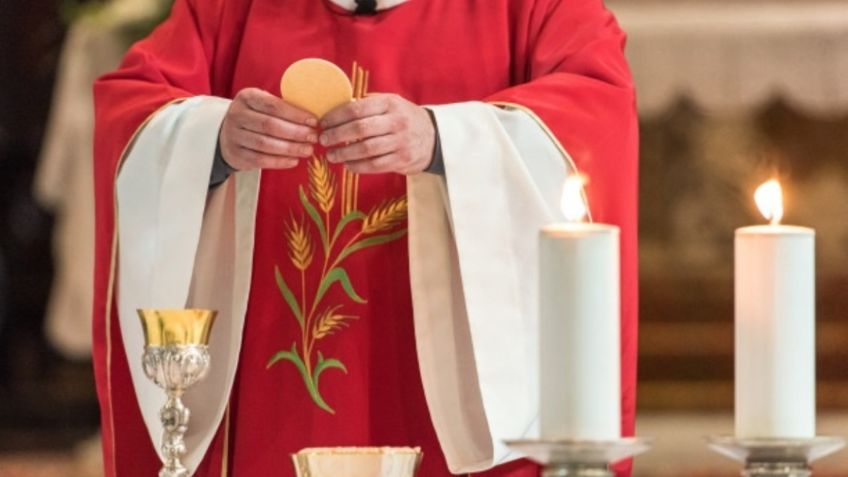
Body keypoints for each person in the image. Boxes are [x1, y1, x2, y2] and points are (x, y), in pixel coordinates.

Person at [92, 0, 639, 476]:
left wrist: (443, 139)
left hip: (454, 384)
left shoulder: (536, 7)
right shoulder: (231, 8)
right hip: (270, 392)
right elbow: (132, 110)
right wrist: (212, 138)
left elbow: (597, 113)